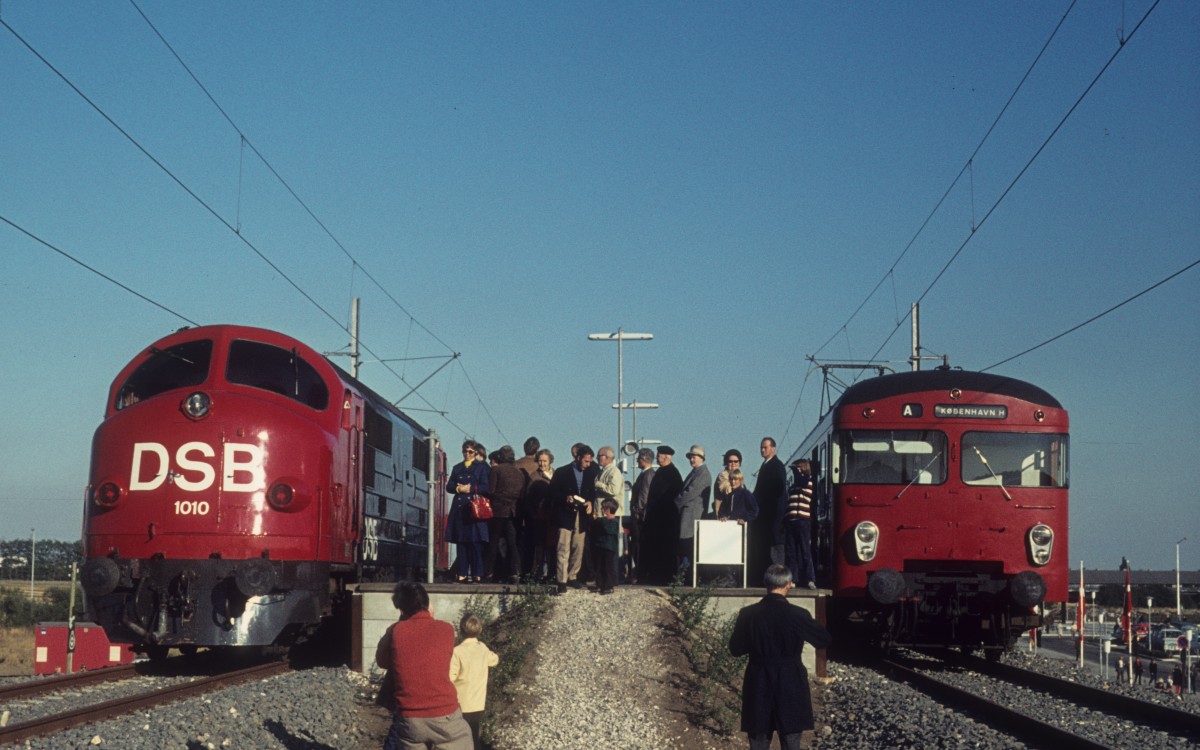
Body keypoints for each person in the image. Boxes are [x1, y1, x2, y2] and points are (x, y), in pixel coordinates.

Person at [728, 564, 832, 750]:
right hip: (790, 679)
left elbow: (735, 649)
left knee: (758, 741)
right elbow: (823, 640)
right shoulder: (798, 615)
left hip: (759, 679)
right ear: (789, 584)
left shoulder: (748, 614)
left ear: (765, 583)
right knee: (791, 741)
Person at [375, 582, 473, 750]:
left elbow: (382, 661)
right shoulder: (446, 629)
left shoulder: (395, 631)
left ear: (401, 609)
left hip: (410, 720)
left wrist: (400, 623)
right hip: (445, 715)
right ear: (427, 605)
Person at [548, 444, 597, 594]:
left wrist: (589, 502)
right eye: (586, 461)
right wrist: (565, 498)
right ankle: (561, 579)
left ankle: (573, 575)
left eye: (590, 462)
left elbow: (592, 493)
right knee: (563, 546)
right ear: (578, 458)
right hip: (565, 514)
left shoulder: (590, 474)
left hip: (581, 515)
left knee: (578, 546)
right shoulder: (562, 472)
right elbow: (552, 492)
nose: (588, 465)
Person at [450, 614, 499, 750]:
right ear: (480, 629)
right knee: (474, 735)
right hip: (478, 703)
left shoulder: (457, 652)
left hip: (460, 703)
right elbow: (494, 660)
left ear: (460, 629)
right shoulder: (482, 648)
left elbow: (449, 678)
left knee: (460, 739)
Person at [446, 441, 489, 583]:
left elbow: (486, 487)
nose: (467, 454)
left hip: (474, 510)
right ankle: (462, 573)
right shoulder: (457, 468)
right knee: (462, 542)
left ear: (475, 453)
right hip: (460, 510)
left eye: (470, 452)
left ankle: (478, 573)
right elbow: (449, 486)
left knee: (475, 542)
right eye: (465, 451)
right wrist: (458, 489)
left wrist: (470, 489)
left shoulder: (482, 468)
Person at [642, 445, 684, 585]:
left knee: (665, 549)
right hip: (656, 518)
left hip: (666, 519)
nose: (657, 457)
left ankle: (665, 578)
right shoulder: (661, 471)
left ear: (666, 456)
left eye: (659, 455)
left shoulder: (672, 474)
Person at [750, 438, 788, 586]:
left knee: (773, 550)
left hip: (772, 517)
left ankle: (778, 581)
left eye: (765, 447)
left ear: (774, 448)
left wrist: (776, 519)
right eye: (761, 447)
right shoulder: (767, 465)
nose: (762, 450)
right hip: (766, 517)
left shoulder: (776, 466)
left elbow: (778, 494)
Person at [485, 446, 524, 583]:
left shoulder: (496, 470)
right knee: (512, 544)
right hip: (513, 511)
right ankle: (515, 572)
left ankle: (489, 573)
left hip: (497, 511)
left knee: (493, 542)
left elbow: (490, 491)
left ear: (501, 457)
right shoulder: (519, 473)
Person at [674, 445, 712, 580]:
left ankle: (687, 576)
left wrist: (676, 502)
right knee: (686, 546)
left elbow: (691, 492)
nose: (691, 459)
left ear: (701, 458)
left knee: (688, 545)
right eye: (690, 457)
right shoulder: (696, 472)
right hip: (688, 513)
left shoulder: (703, 473)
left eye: (693, 457)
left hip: (693, 514)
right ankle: (685, 575)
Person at [784, 459, 818, 589]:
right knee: (791, 552)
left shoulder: (808, 481)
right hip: (791, 520)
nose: (795, 470)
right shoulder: (794, 486)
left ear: (803, 467)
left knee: (805, 550)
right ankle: (793, 579)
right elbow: (789, 503)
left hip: (803, 521)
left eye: (798, 467)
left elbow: (802, 481)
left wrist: (795, 470)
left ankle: (810, 579)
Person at [627, 447, 656, 583]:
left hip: (639, 516)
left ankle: (638, 574)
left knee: (638, 545)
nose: (637, 461)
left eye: (639, 458)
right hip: (638, 515)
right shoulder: (645, 474)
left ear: (644, 459)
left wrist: (638, 511)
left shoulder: (648, 475)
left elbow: (644, 495)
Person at [526, 449, 555, 582]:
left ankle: (551, 572)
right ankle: (538, 572)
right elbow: (528, 498)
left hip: (553, 516)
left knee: (552, 546)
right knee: (540, 546)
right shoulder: (534, 477)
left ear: (550, 461)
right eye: (540, 461)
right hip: (540, 516)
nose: (542, 463)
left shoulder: (556, 474)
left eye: (545, 461)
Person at [513, 437, 540, 578]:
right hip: (535, 508)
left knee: (517, 539)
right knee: (533, 540)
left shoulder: (516, 464)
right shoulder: (539, 466)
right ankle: (532, 570)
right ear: (538, 449)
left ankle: (518, 569)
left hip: (518, 506)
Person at [592, 498, 621, 594]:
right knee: (599, 565)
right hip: (600, 546)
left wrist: (601, 520)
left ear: (608, 509)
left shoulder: (614, 521)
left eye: (603, 508)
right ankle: (599, 584)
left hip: (609, 547)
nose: (601, 509)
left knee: (608, 567)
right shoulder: (602, 521)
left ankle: (609, 585)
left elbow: (608, 530)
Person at [712, 449, 742, 519]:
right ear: (726, 462)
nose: (733, 463)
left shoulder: (739, 476)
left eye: (736, 461)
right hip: (723, 516)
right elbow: (727, 490)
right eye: (730, 461)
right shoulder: (723, 475)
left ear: (739, 463)